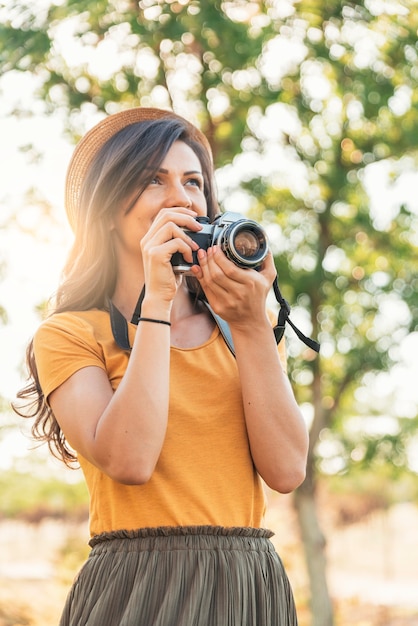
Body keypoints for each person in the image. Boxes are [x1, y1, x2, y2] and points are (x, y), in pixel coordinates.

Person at [15, 106, 309, 626]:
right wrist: (157, 301)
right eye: (154, 180)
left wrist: (252, 326)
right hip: (138, 584)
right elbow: (130, 460)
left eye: (193, 182)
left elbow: (286, 471)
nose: (181, 198)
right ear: (106, 209)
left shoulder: (242, 328)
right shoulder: (68, 334)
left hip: (248, 585)